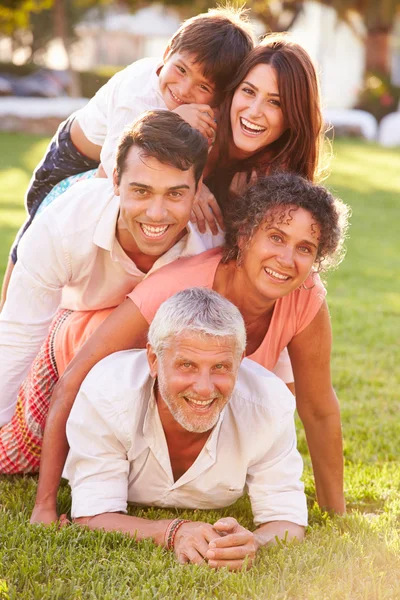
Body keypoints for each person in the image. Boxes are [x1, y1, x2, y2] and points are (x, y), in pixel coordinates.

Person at [30, 173, 350, 524]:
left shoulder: (305, 298)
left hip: (177, 393)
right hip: (74, 359)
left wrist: (334, 514)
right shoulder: (179, 285)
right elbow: (77, 377)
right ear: (244, 235)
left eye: (305, 248)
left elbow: (318, 408)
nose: (287, 259)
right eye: (276, 237)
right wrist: (45, 503)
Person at [0, 6, 254, 304]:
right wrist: (179, 125)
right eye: (181, 69)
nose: (184, 89)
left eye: (204, 86)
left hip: (121, 168)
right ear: (168, 50)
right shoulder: (137, 89)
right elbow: (113, 165)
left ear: (220, 97)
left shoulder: (205, 114)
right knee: (39, 233)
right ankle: (8, 310)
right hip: (74, 157)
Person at [0, 110, 225, 432]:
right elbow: (19, 331)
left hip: (152, 348)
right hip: (66, 331)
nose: (156, 214)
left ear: (197, 188)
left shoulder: (211, 242)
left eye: (175, 193)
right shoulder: (65, 223)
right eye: (141, 191)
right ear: (116, 180)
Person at [66, 288, 306, 570]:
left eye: (220, 367)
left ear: (239, 363)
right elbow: (91, 515)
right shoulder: (108, 390)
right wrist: (173, 531)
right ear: (154, 361)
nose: (204, 388)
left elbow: (287, 519)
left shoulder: (270, 405)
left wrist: (254, 542)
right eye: (187, 365)